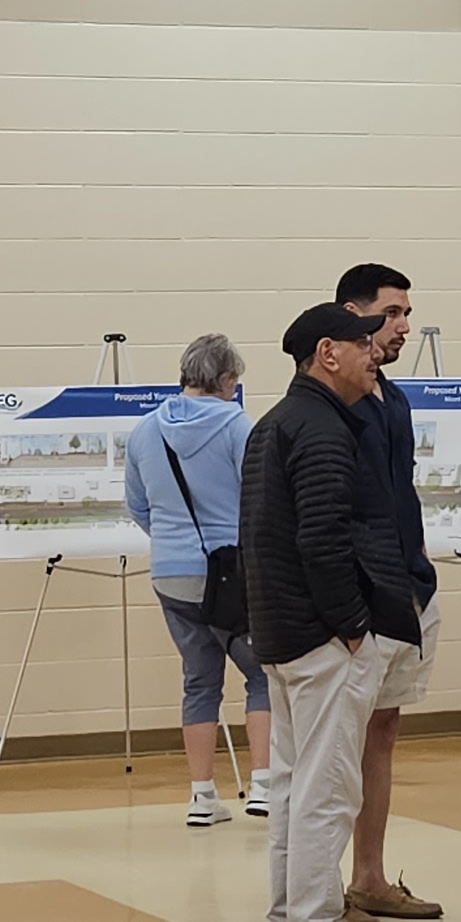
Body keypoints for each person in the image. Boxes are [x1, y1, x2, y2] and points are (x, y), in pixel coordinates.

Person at [243, 305, 414, 922]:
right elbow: (321, 539)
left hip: (284, 636)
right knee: (328, 787)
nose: (374, 352)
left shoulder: (277, 424)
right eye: (361, 343)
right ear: (326, 353)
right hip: (322, 640)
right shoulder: (321, 430)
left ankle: (289, 919)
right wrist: (350, 626)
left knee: (292, 784)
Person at [333, 265, 443, 922]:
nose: (404, 324)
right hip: (360, 604)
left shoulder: (391, 398)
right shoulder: (331, 405)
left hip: (409, 589)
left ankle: (369, 876)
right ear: (355, 314)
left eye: (407, 312)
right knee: (337, 741)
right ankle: (322, 888)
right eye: (393, 312)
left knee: (384, 730)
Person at [125, 335, 273, 827]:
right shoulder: (238, 427)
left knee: (199, 681)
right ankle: (264, 787)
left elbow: (137, 505)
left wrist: (173, 543)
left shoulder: (145, 430)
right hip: (232, 573)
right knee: (262, 676)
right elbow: (258, 500)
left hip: (170, 573)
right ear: (227, 379)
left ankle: (202, 796)